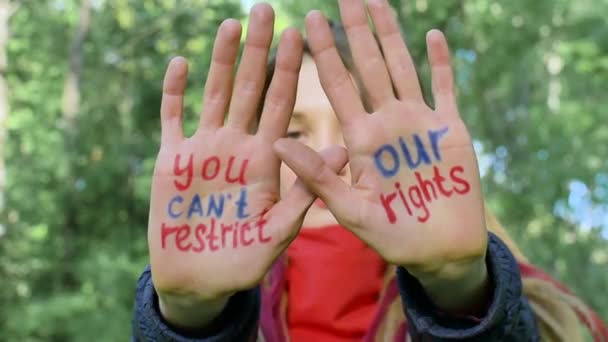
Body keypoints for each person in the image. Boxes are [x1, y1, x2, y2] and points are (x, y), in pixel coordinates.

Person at [131, 1, 608, 341]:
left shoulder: (524, 304)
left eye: (353, 132)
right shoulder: (227, 301)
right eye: (295, 135)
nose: (325, 157)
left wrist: (459, 291)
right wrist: (188, 320)